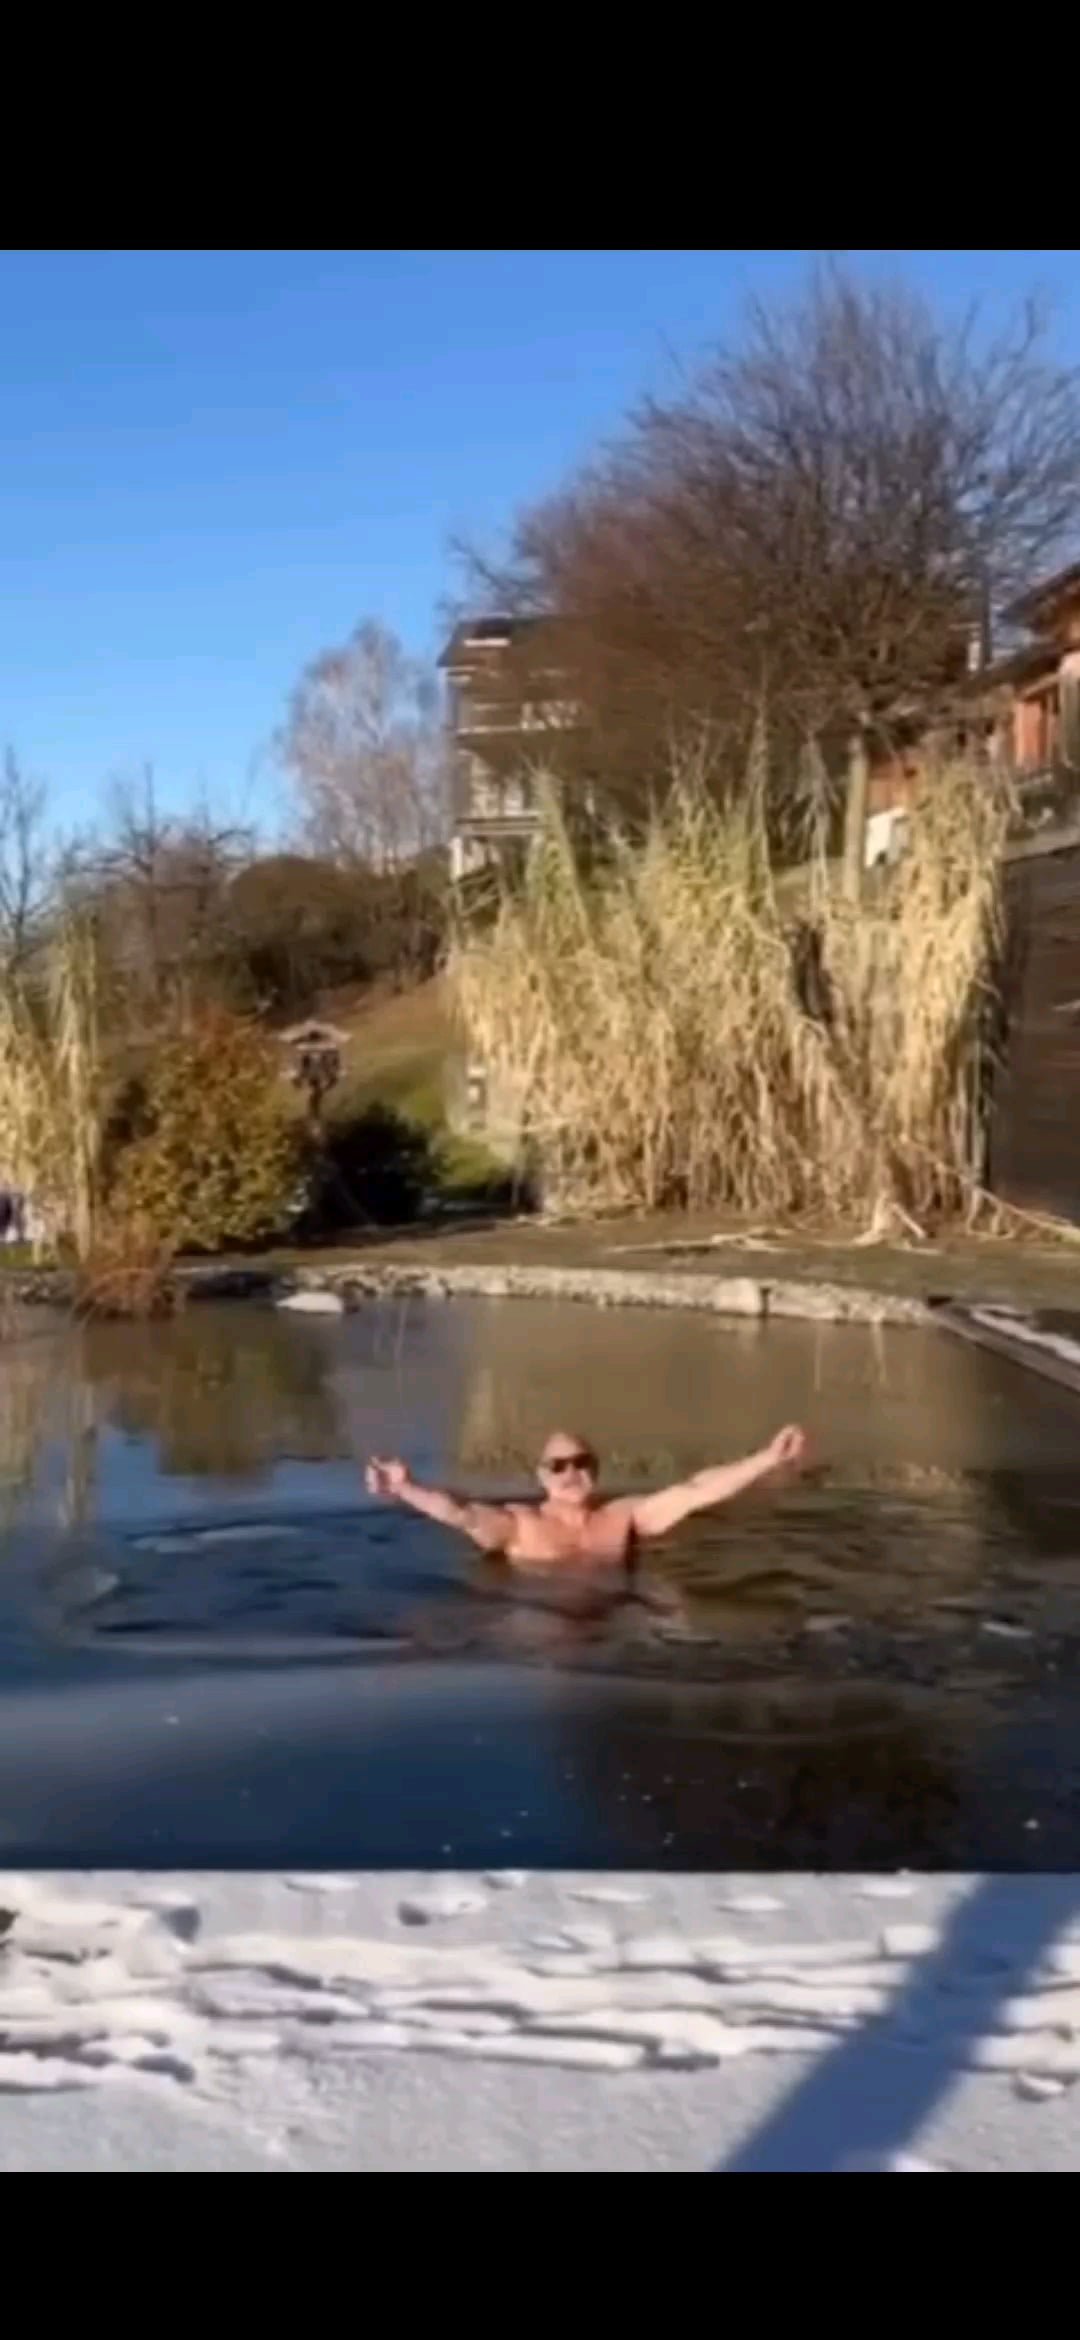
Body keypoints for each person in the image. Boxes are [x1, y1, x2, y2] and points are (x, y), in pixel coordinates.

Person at [364, 1423, 808, 1566]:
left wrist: (766, 1459)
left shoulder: (623, 1516)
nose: (571, 1473)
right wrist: (405, 1487)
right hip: (539, 1634)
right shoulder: (519, 1524)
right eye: (559, 1466)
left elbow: (694, 1491)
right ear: (542, 1476)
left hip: (613, 1629)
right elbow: (460, 1513)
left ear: (595, 1472)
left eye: (581, 1463)